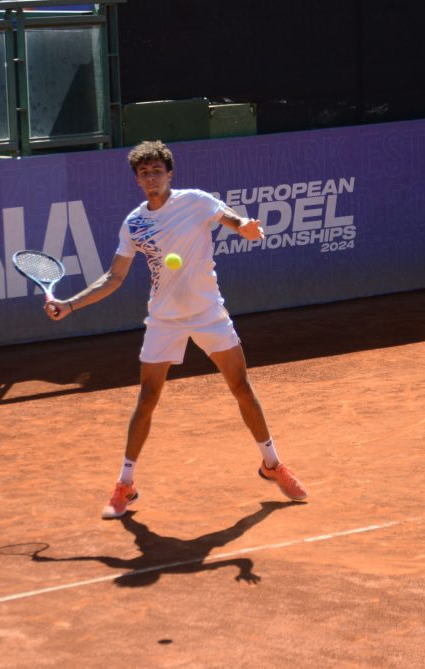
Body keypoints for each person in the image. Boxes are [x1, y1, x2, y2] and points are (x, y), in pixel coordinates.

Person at [45, 140, 308, 519]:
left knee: (241, 386)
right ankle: (125, 483)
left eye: (157, 171)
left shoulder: (196, 201)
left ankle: (272, 464)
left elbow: (232, 220)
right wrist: (70, 305)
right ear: (137, 180)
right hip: (164, 319)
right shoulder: (134, 223)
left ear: (169, 173)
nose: (151, 177)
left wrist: (247, 228)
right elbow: (113, 278)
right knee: (148, 396)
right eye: (144, 173)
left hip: (208, 311)